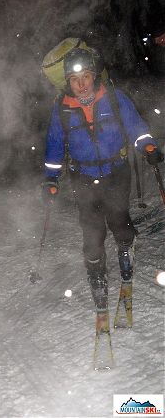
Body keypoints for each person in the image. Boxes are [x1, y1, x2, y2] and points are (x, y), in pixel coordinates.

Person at [42, 46, 164, 316]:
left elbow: (135, 126)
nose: (81, 84)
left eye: (85, 76)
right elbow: (54, 144)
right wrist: (50, 178)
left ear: (94, 75)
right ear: (68, 82)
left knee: (119, 219)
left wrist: (148, 147)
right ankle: (96, 272)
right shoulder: (62, 109)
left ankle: (125, 248)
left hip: (115, 171)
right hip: (83, 175)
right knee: (91, 228)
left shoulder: (114, 98)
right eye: (75, 80)